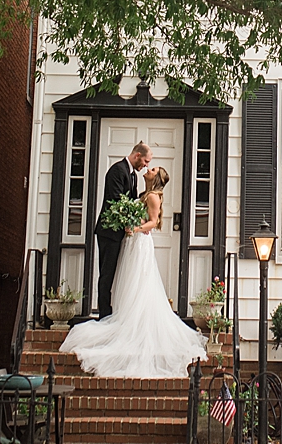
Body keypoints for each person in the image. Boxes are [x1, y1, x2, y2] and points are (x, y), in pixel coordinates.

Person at [61, 166, 209, 378]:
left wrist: (135, 228)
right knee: (129, 281)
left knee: (139, 282)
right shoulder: (143, 194)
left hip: (141, 243)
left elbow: (153, 222)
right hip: (132, 243)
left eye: (153, 169)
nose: (148, 169)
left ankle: (135, 323)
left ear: (157, 178)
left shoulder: (154, 197)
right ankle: (126, 315)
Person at [94, 142, 148, 318]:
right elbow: (116, 201)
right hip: (109, 231)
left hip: (121, 234)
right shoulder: (117, 171)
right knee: (107, 273)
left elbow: (131, 200)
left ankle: (115, 311)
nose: (146, 165)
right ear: (137, 155)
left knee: (118, 273)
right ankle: (104, 314)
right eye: (146, 161)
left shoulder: (133, 175)